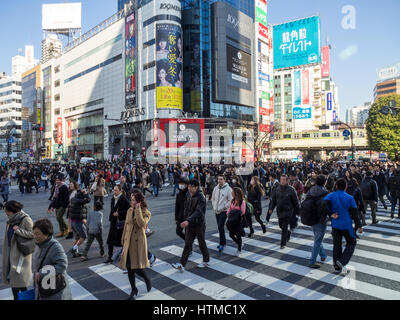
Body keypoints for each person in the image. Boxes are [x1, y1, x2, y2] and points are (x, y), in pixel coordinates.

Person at [323, 178, 363, 275]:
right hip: (346, 224)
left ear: (336, 186)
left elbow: (323, 206)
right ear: (345, 187)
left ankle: (337, 266)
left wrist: (331, 214)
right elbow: (355, 214)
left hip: (335, 224)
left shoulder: (330, 195)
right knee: (352, 242)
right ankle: (342, 261)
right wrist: (359, 226)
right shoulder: (350, 198)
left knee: (337, 244)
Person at [171, 179, 210, 272]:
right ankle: (181, 264)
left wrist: (188, 220)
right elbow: (186, 208)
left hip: (198, 224)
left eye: (191, 187)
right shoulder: (188, 194)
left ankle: (206, 260)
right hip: (189, 224)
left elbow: (199, 212)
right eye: (188, 186)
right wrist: (184, 219)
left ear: (196, 187)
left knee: (201, 243)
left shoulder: (201, 197)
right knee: (187, 244)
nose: (189, 188)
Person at [120, 191, 152, 300]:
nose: (131, 202)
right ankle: (134, 289)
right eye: (131, 199)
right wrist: (123, 238)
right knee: (129, 267)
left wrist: (138, 209)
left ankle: (147, 279)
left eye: (133, 200)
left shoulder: (146, 212)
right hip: (129, 242)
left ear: (139, 201)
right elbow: (126, 225)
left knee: (137, 268)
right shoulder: (129, 211)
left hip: (138, 243)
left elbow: (141, 224)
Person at [2, 201, 34, 300]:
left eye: (7, 211)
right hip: (10, 253)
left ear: (13, 211)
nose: (6, 213)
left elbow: (33, 234)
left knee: (20, 281)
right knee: (13, 280)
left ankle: (24, 298)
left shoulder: (26, 219)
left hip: (20, 255)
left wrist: (19, 231)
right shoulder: (11, 219)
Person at [32, 219, 72, 300]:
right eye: (34, 233)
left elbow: (62, 265)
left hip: (54, 291)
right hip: (42, 288)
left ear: (46, 233)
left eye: (37, 234)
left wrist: (41, 274)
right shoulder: (38, 245)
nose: (35, 236)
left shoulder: (55, 246)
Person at [268, 174, 300, 249]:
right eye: (281, 179)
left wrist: (298, 211)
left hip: (288, 211)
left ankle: (283, 243)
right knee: (280, 226)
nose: (282, 181)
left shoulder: (291, 189)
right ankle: (288, 233)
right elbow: (274, 200)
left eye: (284, 180)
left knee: (284, 227)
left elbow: (296, 202)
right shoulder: (277, 189)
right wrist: (271, 208)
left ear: (287, 180)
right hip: (279, 211)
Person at [304, 175, 329, 268]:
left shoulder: (310, 191)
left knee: (317, 238)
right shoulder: (325, 193)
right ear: (324, 182)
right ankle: (312, 261)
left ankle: (322, 255)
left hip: (311, 218)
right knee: (318, 240)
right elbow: (327, 207)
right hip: (320, 219)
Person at [105, 185, 130, 263]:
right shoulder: (113, 198)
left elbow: (129, 210)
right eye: (114, 190)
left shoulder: (123, 199)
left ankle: (125, 256)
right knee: (110, 240)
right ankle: (110, 257)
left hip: (121, 223)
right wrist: (110, 217)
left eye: (116, 190)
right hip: (113, 222)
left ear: (120, 190)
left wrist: (119, 213)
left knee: (122, 241)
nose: (114, 192)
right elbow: (112, 209)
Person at [211, 175, 233, 252]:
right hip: (216, 210)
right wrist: (214, 206)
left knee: (220, 226)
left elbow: (231, 200)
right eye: (218, 179)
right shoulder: (216, 188)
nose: (219, 181)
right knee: (219, 227)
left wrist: (224, 206)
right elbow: (213, 198)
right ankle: (223, 242)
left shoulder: (228, 189)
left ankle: (222, 243)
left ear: (224, 180)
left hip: (224, 211)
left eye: (221, 179)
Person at [68, 187, 90, 258]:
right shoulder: (79, 201)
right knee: (83, 236)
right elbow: (88, 200)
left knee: (77, 238)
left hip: (73, 222)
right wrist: (86, 194)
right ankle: (73, 249)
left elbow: (79, 195)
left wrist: (81, 192)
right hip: (78, 222)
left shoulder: (73, 199)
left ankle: (75, 253)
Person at [226, 187, 247, 256]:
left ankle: (239, 249)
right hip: (232, 220)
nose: (231, 193)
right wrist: (228, 213)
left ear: (236, 193)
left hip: (238, 221)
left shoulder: (242, 201)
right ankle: (239, 244)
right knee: (231, 234)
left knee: (238, 235)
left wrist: (235, 212)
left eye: (233, 192)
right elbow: (230, 208)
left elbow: (243, 212)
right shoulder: (233, 200)